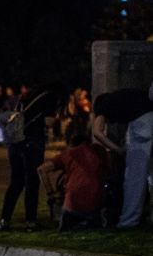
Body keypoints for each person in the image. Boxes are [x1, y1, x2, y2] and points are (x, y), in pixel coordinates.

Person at [0, 85, 59, 231]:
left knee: (16, 181)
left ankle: (4, 220)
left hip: (15, 143)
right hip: (33, 142)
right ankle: (30, 222)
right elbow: (49, 121)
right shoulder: (49, 97)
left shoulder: (20, 98)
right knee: (32, 182)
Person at [91, 85, 153, 229]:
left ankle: (128, 220)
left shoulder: (104, 105)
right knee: (151, 174)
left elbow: (97, 132)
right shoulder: (125, 95)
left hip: (142, 124)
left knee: (134, 177)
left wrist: (117, 149)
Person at [45, 134, 110, 231]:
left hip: (72, 205)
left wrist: (51, 193)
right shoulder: (99, 151)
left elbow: (41, 170)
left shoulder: (69, 154)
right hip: (94, 206)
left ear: (71, 144)